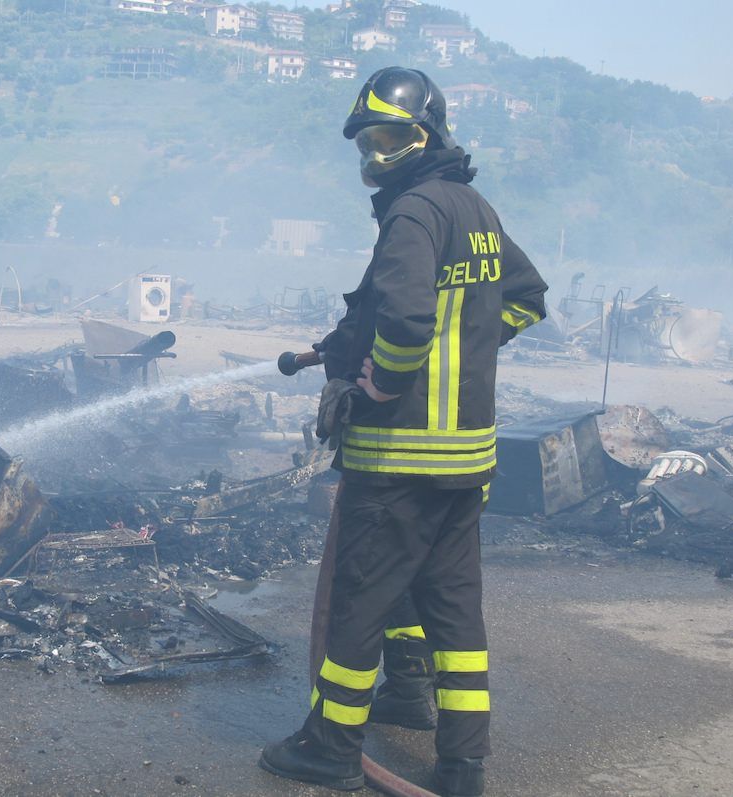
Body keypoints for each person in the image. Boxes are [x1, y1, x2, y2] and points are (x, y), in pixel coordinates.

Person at [258, 67, 548, 796]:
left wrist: (382, 381)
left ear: (429, 133)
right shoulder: (472, 208)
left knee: (358, 603)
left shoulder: (412, 212)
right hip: (465, 463)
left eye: (391, 137)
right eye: (368, 139)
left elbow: (410, 319)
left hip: (397, 456)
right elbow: (522, 298)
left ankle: (329, 747)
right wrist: (469, 343)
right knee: (453, 612)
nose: (375, 154)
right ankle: (462, 765)